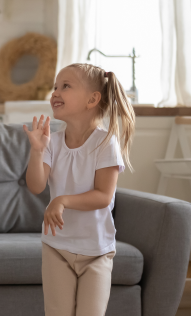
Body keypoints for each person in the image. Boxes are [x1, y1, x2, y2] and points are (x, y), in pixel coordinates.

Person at [23, 63, 135, 316]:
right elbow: (36, 185)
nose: (55, 92)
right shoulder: (53, 142)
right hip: (56, 248)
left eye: (65, 86)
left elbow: (103, 196)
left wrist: (62, 201)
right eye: (55, 87)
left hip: (96, 252)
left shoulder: (105, 143)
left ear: (92, 99)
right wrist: (37, 150)